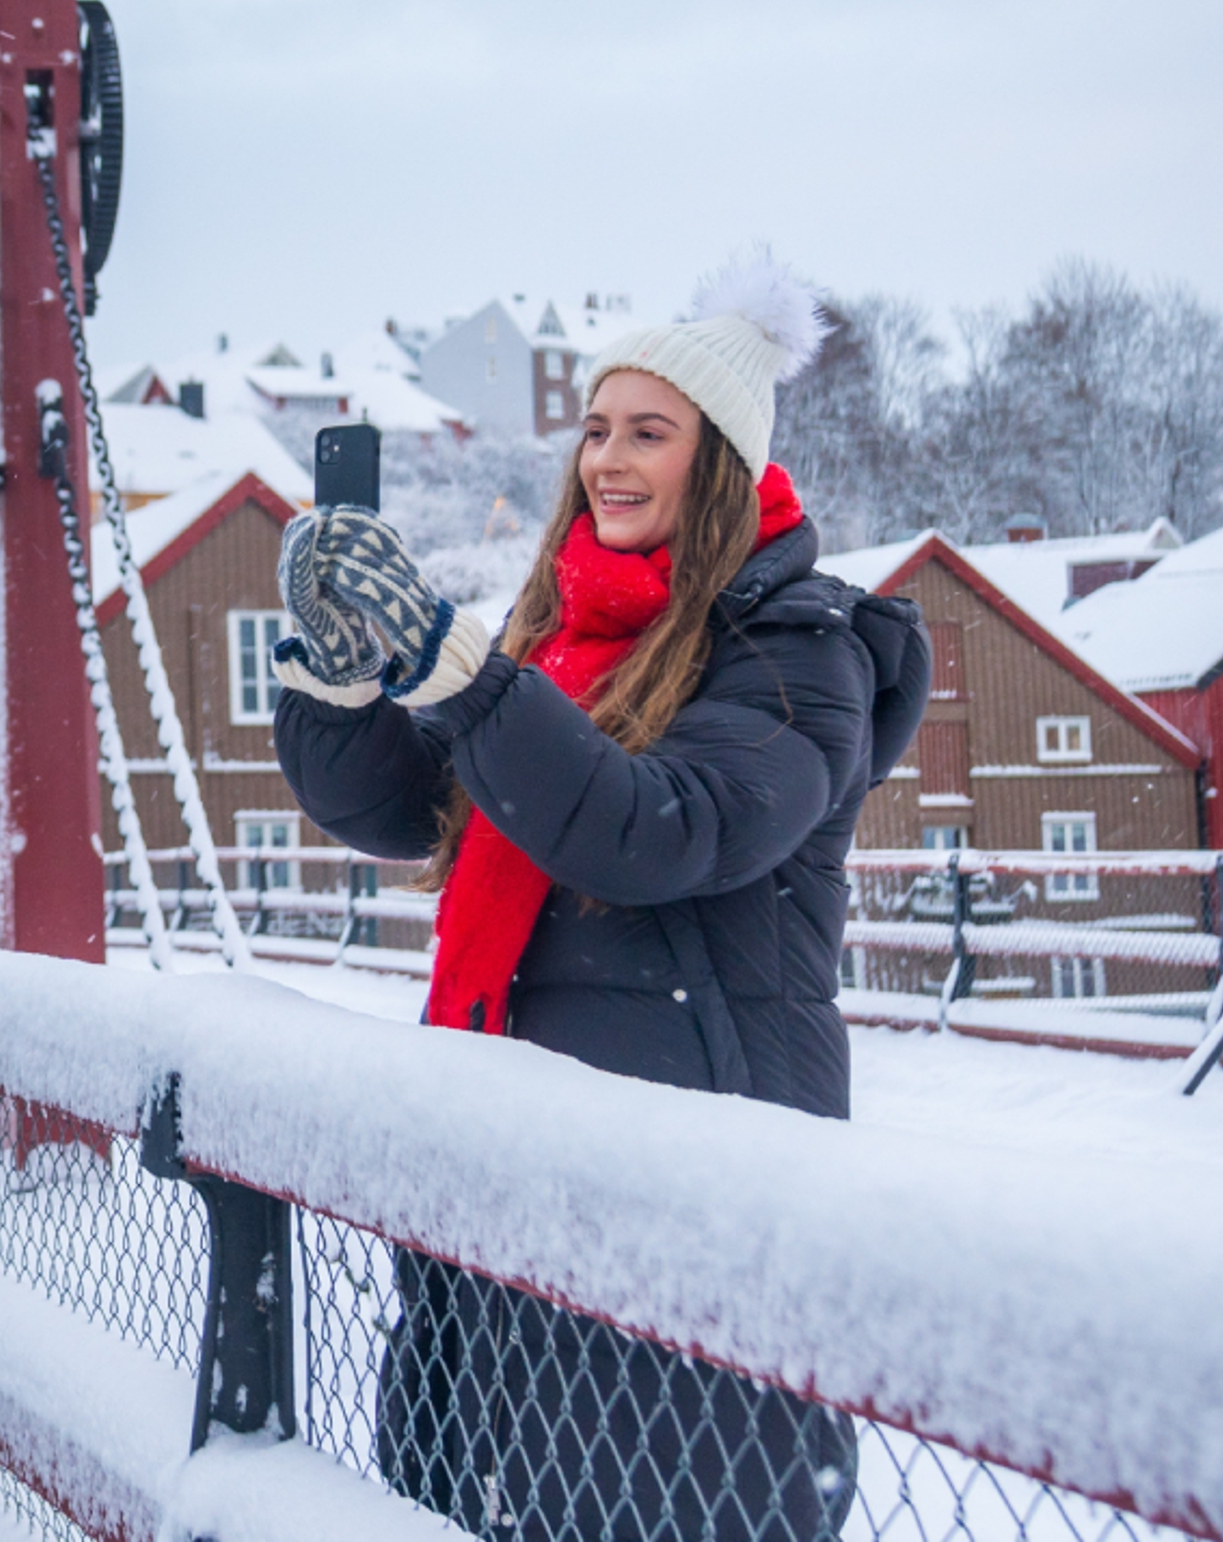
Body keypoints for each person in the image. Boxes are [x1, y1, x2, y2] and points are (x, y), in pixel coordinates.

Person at [271, 257, 929, 1542]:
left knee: (659, 1504)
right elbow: (421, 814)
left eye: (648, 433)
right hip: (506, 1165)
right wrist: (343, 684)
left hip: (695, 1188)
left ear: (721, 464)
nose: (606, 462)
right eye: (593, 431)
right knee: (478, 1497)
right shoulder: (556, 639)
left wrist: (458, 677)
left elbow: (656, 832)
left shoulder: (800, 658)